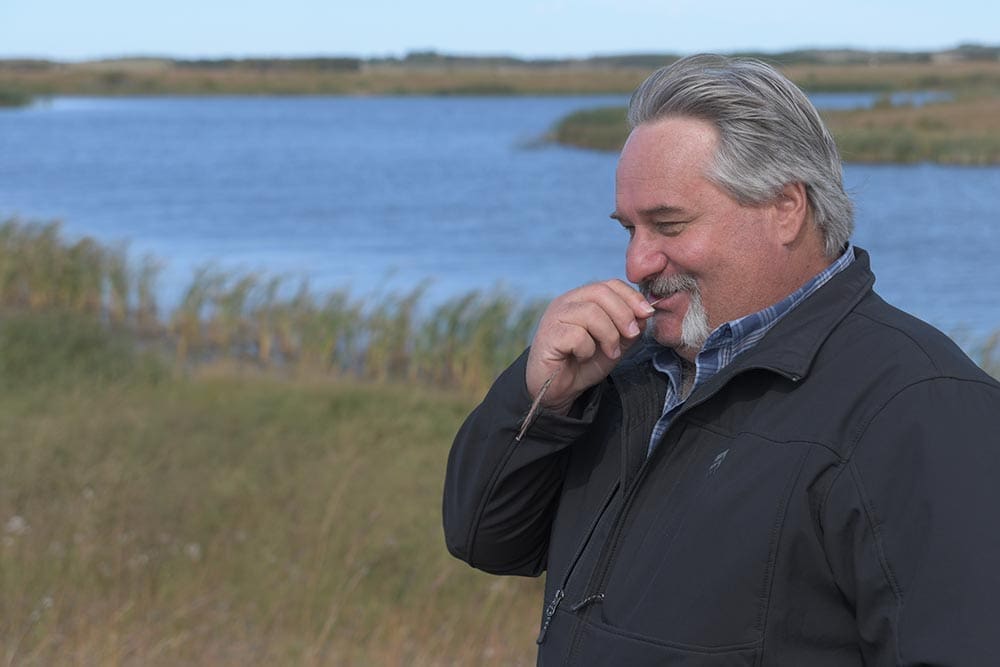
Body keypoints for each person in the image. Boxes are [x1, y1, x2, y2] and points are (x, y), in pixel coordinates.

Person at [442, 54, 1000, 665]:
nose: (637, 263)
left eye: (669, 225)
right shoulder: (626, 369)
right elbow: (487, 540)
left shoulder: (925, 407)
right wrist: (543, 401)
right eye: (628, 228)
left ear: (786, 209)